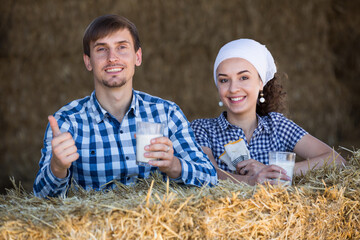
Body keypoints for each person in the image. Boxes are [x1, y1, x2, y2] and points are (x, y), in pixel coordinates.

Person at [33, 15, 217, 198]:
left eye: (122, 47)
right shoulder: (66, 122)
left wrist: (174, 165)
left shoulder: (167, 114)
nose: (112, 58)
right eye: (101, 49)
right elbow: (40, 198)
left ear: (137, 57)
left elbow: (210, 178)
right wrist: (57, 168)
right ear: (88, 61)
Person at [190, 39, 345, 186]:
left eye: (243, 77)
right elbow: (207, 172)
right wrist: (251, 181)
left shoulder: (277, 125)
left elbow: (336, 160)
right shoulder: (201, 128)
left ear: (260, 83)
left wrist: (273, 171)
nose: (233, 88)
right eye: (224, 80)